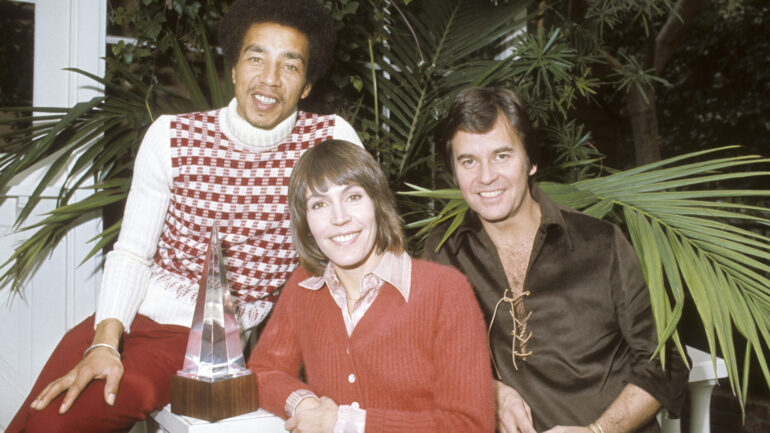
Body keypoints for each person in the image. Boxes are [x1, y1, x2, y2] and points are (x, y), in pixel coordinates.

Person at [7, 0, 362, 431]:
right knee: (45, 412)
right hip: (120, 319)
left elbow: (354, 251)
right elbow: (133, 252)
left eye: (290, 66)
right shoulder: (173, 136)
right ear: (233, 68)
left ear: (306, 85)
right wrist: (104, 342)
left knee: (62, 421)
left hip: (200, 343)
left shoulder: (328, 140)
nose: (269, 78)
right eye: (256, 58)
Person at [424, 87, 690, 433]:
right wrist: (488, 390)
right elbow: (427, 358)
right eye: (468, 161)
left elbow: (666, 361)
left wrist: (598, 431)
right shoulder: (445, 251)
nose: (486, 176)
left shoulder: (602, 244)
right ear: (454, 173)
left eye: (502, 156)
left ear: (531, 162)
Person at [248, 139, 496, 433]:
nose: (339, 218)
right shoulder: (303, 286)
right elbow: (262, 372)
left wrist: (345, 423)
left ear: (377, 203)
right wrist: (303, 404)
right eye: (319, 204)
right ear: (306, 224)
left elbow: (470, 426)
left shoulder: (446, 291)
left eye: (353, 197)